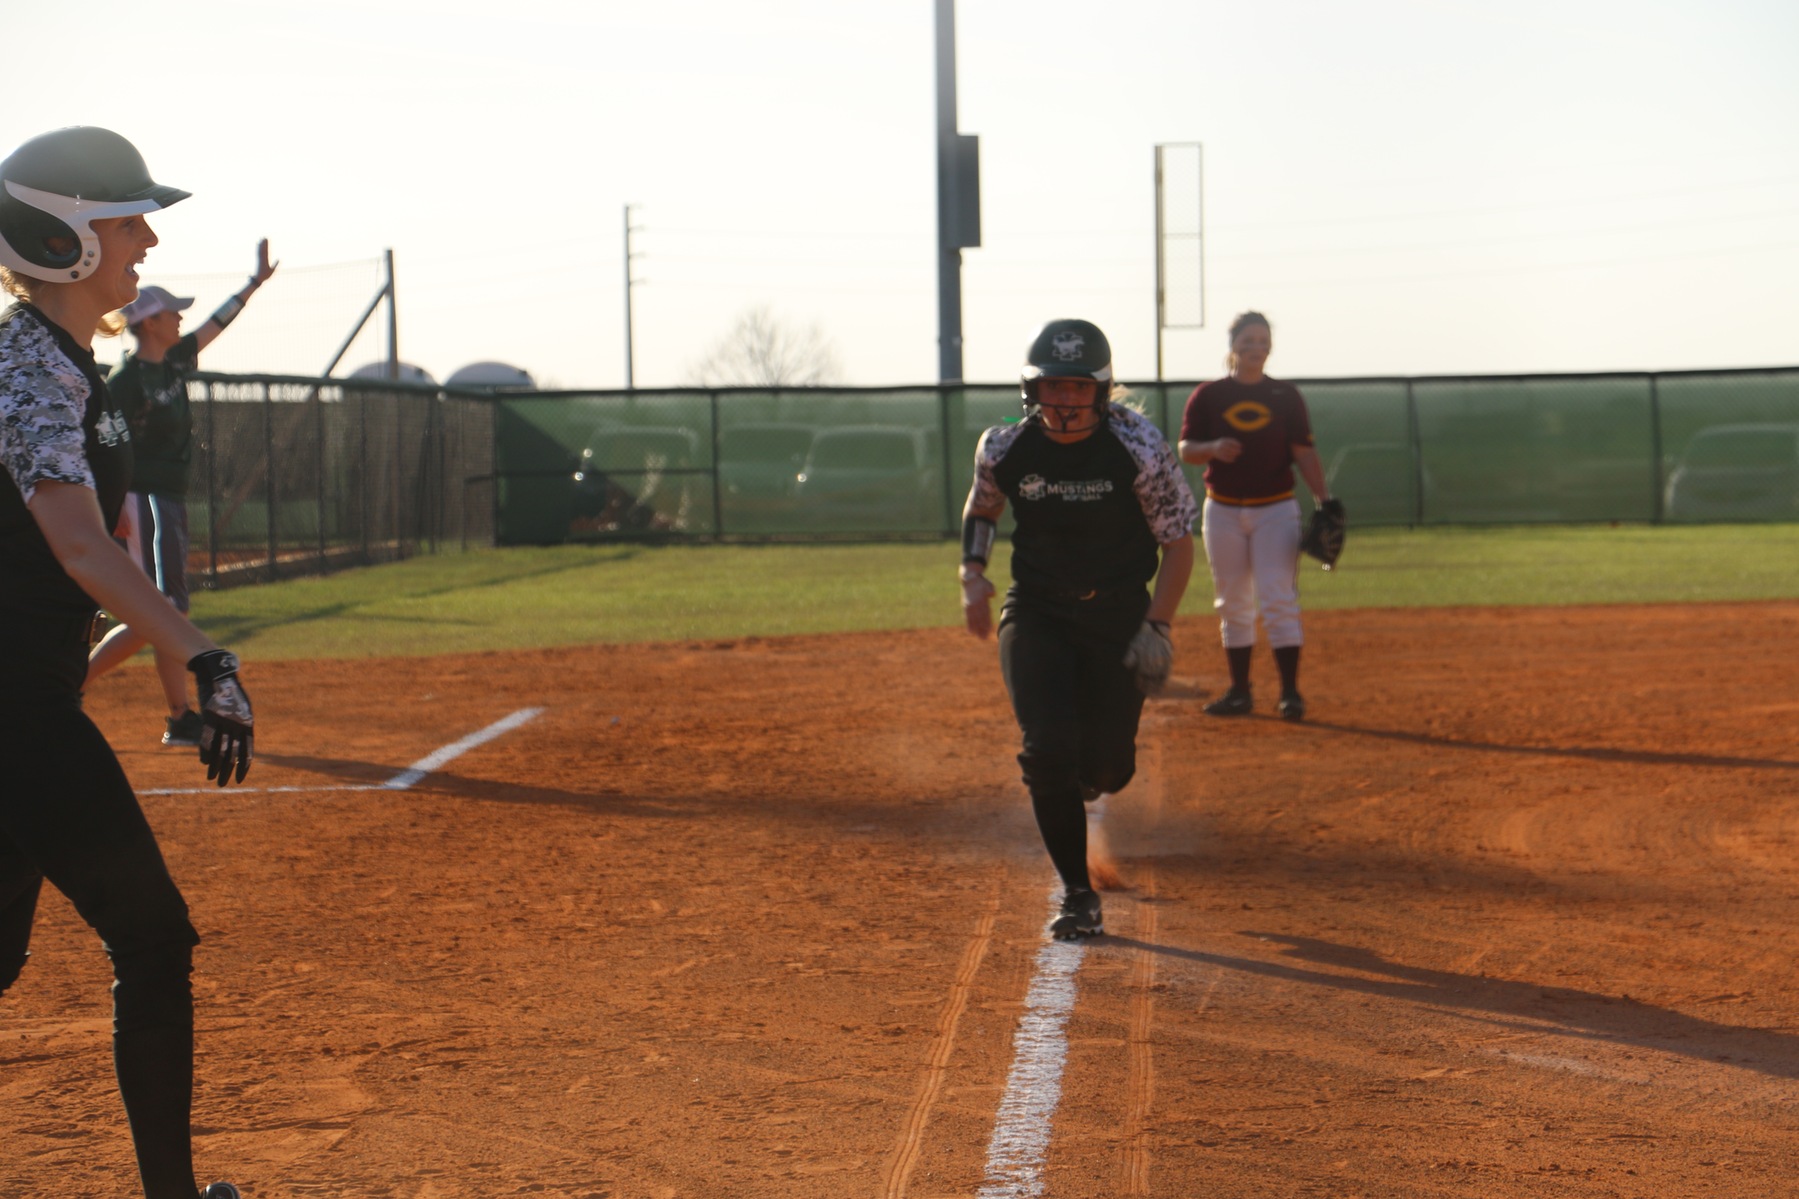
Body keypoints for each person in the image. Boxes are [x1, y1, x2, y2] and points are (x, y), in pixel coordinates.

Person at [0, 125, 255, 1199]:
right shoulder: (30, 371)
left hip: (25, 696)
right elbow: (75, 544)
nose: (145, 239)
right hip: (13, 712)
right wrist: (196, 648)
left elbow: (47, 576)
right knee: (153, 937)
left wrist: (111, 646)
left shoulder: (63, 365)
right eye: (123, 222)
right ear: (63, 239)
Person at [960, 319, 1197, 941]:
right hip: (1035, 611)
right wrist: (972, 573)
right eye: (1051, 387)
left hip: (1117, 616)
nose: (1063, 401)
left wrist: (1158, 628)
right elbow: (982, 508)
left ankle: (1093, 782)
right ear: (1031, 390)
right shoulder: (1005, 448)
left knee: (1108, 768)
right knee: (1047, 751)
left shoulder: (1139, 446)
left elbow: (1177, 545)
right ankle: (1077, 893)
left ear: (1101, 390)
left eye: (1076, 388)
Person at [86, 241, 276, 746]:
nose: (178, 321)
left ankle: (179, 717)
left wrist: (253, 284)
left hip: (165, 497)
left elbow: (218, 324)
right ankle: (70, 685)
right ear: (149, 322)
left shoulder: (173, 363)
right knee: (163, 608)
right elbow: (102, 442)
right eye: (170, 315)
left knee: (165, 609)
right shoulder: (126, 378)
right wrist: (111, 507)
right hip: (140, 499)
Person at [1178, 311, 1334, 721]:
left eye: (1263, 339)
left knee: (1278, 597)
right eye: (1248, 339)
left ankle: (1289, 693)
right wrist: (1212, 447)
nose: (1256, 347)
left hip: (1276, 509)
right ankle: (1240, 692)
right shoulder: (1209, 396)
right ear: (1233, 345)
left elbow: (1304, 452)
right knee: (1232, 601)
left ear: (1270, 346)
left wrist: (1325, 500)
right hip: (1224, 510)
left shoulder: (1285, 396)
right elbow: (1187, 449)